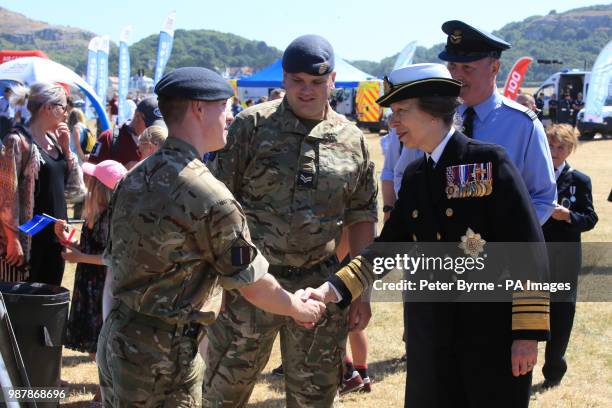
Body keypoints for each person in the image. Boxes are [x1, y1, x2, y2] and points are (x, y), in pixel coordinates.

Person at [300, 63, 550, 408]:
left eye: (402, 111)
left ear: (433, 114)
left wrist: (526, 335)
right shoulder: (418, 174)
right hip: (430, 334)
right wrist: (332, 289)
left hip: (488, 334)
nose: (393, 122)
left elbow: (528, 252)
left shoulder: (489, 163)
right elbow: (388, 246)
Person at [96, 67, 326, 406]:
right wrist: (297, 308)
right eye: (225, 106)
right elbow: (252, 282)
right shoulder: (208, 195)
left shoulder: (134, 177)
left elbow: (115, 265)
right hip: (164, 359)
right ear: (198, 109)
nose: (231, 116)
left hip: (120, 339)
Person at [205, 34, 378, 408]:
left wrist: (361, 290)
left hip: (320, 290)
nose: (307, 90)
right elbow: (217, 205)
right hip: (250, 286)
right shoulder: (251, 127)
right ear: (284, 79)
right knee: (223, 395)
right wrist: (215, 281)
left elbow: (362, 217)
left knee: (314, 399)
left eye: (316, 82)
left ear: (332, 80)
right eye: (298, 81)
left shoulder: (353, 140)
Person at [439, 20, 556, 226]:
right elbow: (404, 175)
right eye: (452, 66)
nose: (457, 75)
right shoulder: (435, 117)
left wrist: (507, 241)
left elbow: (543, 198)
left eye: (467, 67)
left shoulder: (522, 125)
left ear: (494, 67)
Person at [54, 159, 127, 404]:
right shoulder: (98, 214)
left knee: (100, 342)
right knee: (94, 342)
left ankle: (105, 391)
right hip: (90, 285)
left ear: (102, 187)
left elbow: (111, 258)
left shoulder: (110, 218)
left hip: (102, 287)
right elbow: (89, 247)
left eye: (92, 181)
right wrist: (69, 241)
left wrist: (80, 257)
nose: (88, 185)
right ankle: (104, 389)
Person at [0, 83, 83, 285]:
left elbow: (74, 190)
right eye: (63, 107)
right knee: (24, 305)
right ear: (48, 107)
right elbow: (6, 194)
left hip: (56, 239)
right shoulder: (18, 140)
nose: (66, 113)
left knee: (48, 306)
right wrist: (13, 239)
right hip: (29, 239)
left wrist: (66, 150)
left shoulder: (55, 141)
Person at [541, 124, 598, 390]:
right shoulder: (533, 175)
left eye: (560, 146)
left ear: (570, 149)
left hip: (564, 255)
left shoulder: (579, 180)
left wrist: (568, 217)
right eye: (550, 145)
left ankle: (553, 370)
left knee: (561, 312)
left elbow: (590, 219)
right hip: (533, 253)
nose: (553, 151)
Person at [88, 96, 165, 169]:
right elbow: (90, 175)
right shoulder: (109, 137)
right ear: (137, 116)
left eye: (157, 126)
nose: (153, 130)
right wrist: (123, 172)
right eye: (150, 126)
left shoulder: (160, 141)